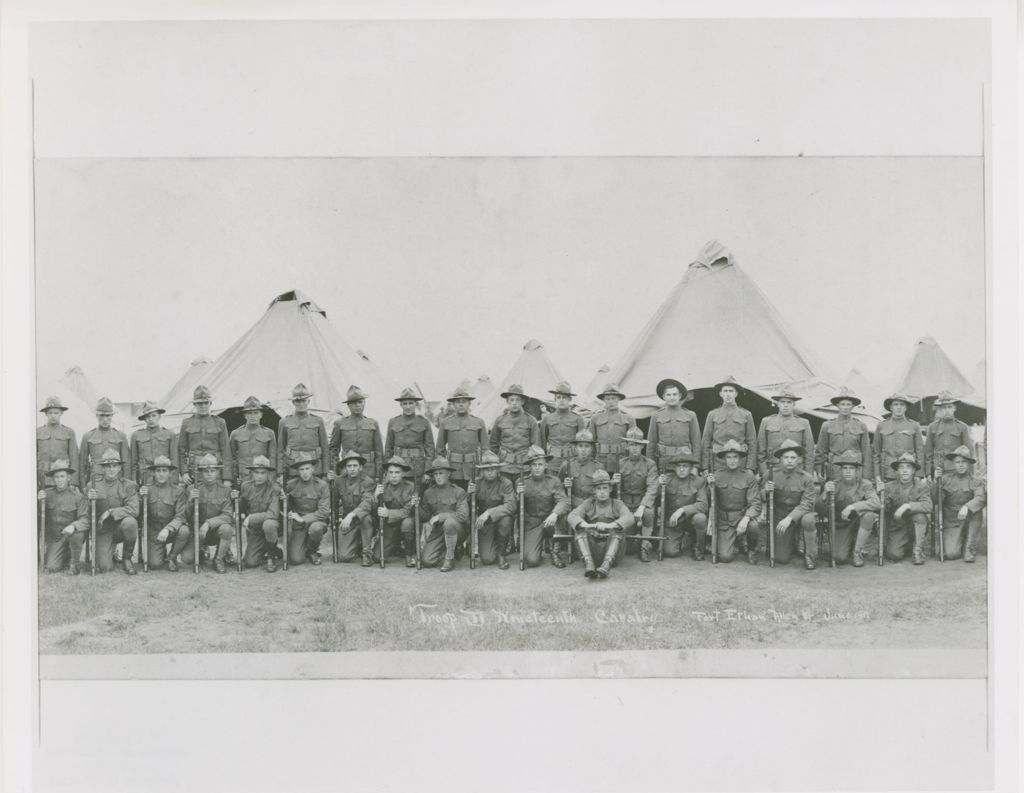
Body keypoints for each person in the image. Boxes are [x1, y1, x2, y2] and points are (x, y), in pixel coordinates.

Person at [567, 470, 635, 579]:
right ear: (594, 490)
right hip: (591, 551)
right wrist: (588, 526)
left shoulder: (617, 504)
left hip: (613, 551)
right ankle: (589, 565)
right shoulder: (589, 503)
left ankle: (606, 565)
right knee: (579, 529)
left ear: (610, 489)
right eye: (598, 489)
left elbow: (629, 517)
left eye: (605, 488)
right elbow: (572, 516)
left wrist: (610, 525)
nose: (602, 492)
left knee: (618, 529)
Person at [818, 450, 881, 567]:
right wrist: (825, 494)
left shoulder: (865, 484)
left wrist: (853, 507)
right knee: (839, 557)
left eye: (851, 468)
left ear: (857, 471)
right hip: (841, 525)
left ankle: (857, 552)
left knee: (869, 516)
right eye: (844, 468)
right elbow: (819, 510)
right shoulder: (834, 485)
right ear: (840, 470)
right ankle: (851, 543)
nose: (847, 471)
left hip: (858, 523)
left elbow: (876, 503)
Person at [763, 440, 818, 569]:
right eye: (786, 457)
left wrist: (790, 518)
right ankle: (792, 541)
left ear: (799, 460)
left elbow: (807, 503)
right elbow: (759, 496)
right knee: (781, 558)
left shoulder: (806, 478)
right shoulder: (771, 475)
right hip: (780, 515)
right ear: (781, 459)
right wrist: (765, 490)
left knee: (809, 520)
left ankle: (810, 556)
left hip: (800, 515)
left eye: (793, 457)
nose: (789, 460)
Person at [706, 439, 762, 564]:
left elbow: (756, 504)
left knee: (753, 526)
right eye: (729, 457)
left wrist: (747, 518)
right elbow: (709, 500)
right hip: (724, 521)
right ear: (724, 459)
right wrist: (710, 486)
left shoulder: (748, 476)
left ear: (740, 458)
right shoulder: (717, 475)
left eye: (735, 457)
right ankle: (736, 541)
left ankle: (752, 549)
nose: (732, 460)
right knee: (725, 557)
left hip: (741, 518)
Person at [85, 449, 140, 575]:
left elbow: (134, 509)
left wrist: (110, 511)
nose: (111, 469)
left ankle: (127, 558)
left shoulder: (128, 485)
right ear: (103, 468)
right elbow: (86, 512)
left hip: (119, 528)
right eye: (108, 466)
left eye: (114, 466)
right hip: (102, 530)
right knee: (105, 568)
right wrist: (89, 500)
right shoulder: (92, 486)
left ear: (119, 468)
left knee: (130, 522)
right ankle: (108, 550)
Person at [556, 429, 606, 568]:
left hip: (591, 505)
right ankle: (557, 550)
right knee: (562, 514)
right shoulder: (567, 465)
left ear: (592, 448)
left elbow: (602, 490)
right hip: (573, 503)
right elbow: (557, 488)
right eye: (580, 446)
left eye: (587, 446)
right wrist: (565, 485)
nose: (583, 450)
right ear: (575, 448)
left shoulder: (598, 466)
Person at [179, 453, 235, 573]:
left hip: (215, 531)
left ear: (218, 472)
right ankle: (201, 550)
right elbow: (185, 516)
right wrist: (190, 501)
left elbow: (227, 516)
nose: (209, 474)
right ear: (200, 473)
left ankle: (218, 559)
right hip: (198, 531)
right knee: (187, 559)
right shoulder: (191, 489)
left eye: (212, 470)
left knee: (227, 529)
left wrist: (208, 523)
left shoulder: (225, 490)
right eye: (206, 471)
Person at [515, 446, 570, 568]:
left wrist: (555, 513)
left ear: (546, 465)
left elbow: (564, 502)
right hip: (532, 523)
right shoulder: (522, 482)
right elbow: (515, 508)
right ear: (530, 466)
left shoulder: (554, 481)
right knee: (531, 561)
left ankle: (554, 552)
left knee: (561, 516)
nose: (537, 467)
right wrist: (518, 496)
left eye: (540, 464)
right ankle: (538, 546)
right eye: (534, 464)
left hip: (549, 520)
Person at [138, 455, 190, 572]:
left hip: (171, 530)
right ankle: (161, 550)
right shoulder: (147, 489)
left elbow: (180, 516)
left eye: (164, 471)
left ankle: (172, 557)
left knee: (184, 531)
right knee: (155, 564)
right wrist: (141, 498)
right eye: (158, 471)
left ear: (170, 473)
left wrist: (168, 529)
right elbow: (139, 514)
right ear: (153, 473)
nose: (161, 474)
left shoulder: (178, 491)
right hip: (153, 531)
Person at [934, 445, 986, 562]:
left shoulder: (976, 481)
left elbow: (980, 498)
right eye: (958, 462)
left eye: (964, 462)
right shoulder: (945, 479)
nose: (961, 465)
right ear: (953, 463)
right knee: (952, 554)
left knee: (977, 511)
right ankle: (960, 540)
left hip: (969, 519)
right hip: (952, 521)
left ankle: (969, 548)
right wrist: (936, 482)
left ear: (968, 464)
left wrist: (967, 507)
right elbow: (936, 500)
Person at [37, 459, 88, 575]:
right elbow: (38, 516)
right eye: (56, 477)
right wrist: (39, 501)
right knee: (51, 567)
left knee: (78, 533)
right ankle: (66, 555)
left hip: (71, 535)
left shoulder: (78, 496)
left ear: (68, 478)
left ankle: (74, 564)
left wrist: (73, 526)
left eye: (62, 476)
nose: (59, 480)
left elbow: (85, 519)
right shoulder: (46, 494)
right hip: (55, 538)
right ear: (53, 479)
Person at [418, 457, 469, 571]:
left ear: (449, 474)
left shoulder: (458, 491)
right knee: (427, 561)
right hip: (439, 531)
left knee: (449, 523)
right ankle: (451, 550)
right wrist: (416, 506)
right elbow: (425, 516)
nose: (438, 476)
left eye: (441, 473)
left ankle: (449, 558)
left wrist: (441, 516)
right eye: (435, 474)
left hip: (458, 529)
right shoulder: (428, 493)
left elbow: (463, 515)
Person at [880, 452, 933, 564]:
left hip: (915, 525)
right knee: (894, 555)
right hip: (898, 526)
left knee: (920, 515)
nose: (904, 470)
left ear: (913, 470)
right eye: (901, 467)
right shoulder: (889, 487)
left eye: (908, 467)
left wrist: (907, 506)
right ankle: (908, 546)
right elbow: (883, 509)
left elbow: (928, 505)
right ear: (897, 471)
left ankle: (918, 550)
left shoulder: (921, 486)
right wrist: (881, 496)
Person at [616, 427, 659, 562]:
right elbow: (612, 490)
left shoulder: (650, 464)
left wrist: (642, 506)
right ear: (627, 446)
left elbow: (652, 488)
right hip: (625, 503)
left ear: (642, 446)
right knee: (628, 550)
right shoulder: (620, 463)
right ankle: (634, 539)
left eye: (638, 445)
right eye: (631, 444)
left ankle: (645, 545)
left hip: (642, 501)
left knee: (648, 513)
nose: (634, 448)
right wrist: (613, 481)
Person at [467, 451, 516, 569]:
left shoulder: (506, 483)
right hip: (485, 523)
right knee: (487, 559)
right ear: (482, 471)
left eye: (493, 469)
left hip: (500, 519)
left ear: (498, 470)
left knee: (506, 520)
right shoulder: (475, 483)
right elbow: (467, 508)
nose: (489, 472)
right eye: (486, 469)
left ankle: (501, 554)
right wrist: (469, 495)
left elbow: (511, 506)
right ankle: (494, 545)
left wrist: (489, 512)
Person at [435, 385, 489, 490]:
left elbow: (485, 448)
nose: (461, 404)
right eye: (457, 402)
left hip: (473, 467)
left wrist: (482, 468)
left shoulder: (478, 422)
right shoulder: (446, 422)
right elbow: (440, 449)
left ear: (469, 404)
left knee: (473, 497)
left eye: (464, 401)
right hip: (453, 468)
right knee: (455, 495)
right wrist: (443, 469)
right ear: (453, 404)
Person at [283, 451, 330, 566]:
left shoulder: (322, 485)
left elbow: (324, 512)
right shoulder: (290, 485)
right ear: (297, 471)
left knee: (316, 529)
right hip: (298, 526)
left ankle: (312, 550)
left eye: (307, 468)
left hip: (316, 521)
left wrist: (303, 519)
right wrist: (284, 500)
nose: (305, 472)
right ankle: (303, 547)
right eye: (301, 469)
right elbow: (286, 508)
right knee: (295, 559)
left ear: (313, 469)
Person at [815, 386, 872, 481]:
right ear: (837, 405)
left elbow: (866, 453)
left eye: (848, 404)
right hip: (834, 470)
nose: (845, 407)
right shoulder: (827, 425)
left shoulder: (861, 426)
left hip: (855, 470)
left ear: (853, 406)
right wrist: (819, 471)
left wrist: (866, 476)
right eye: (842, 404)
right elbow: (820, 451)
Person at [178, 386, 231, 487]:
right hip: (194, 471)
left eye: (205, 403)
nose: (203, 406)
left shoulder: (220, 422)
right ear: (194, 404)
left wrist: (227, 478)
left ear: (210, 403)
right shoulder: (187, 423)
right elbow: (182, 451)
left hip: (215, 470)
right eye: (199, 403)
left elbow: (226, 451)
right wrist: (184, 472)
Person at [756, 388, 814, 478]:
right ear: (778, 404)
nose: (785, 405)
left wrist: (808, 475)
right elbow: (761, 452)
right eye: (783, 402)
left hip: (797, 470)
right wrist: (765, 474)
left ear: (794, 404)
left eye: (789, 402)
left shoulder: (803, 423)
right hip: (773, 470)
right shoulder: (767, 421)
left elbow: (809, 453)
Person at [702, 377, 757, 473]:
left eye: (731, 391)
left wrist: (750, 467)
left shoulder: (746, 414)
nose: (728, 394)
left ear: (736, 394)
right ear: (721, 394)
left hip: (739, 461)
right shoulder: (713, 414)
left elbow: (752, 442)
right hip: (718, 462)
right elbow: (706, 441)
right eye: (725, 391)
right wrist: (705, 467)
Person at [329, 385, 384, 480]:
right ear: (348, 405)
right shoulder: (340, 423)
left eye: (360, 402)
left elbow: (379, 452)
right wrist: (336, 471)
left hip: (368, 470)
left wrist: (379, 475)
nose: (357, 405)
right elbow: (333, 450)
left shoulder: (373, 423)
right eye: (354, 403)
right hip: (347, 469)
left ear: (364, 403)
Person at [660, 454, 709, 560]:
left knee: (700, 518)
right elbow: (655, 498)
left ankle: (698, 547)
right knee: (670, 552)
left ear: (691, 468)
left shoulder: (699, 481)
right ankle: (683, 539)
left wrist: (682, 510)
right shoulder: (667, 480)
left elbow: (703, 505)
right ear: (674, 468)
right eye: (678, 466)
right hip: (674, 523)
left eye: (685, 466)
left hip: (690, 521)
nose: (681, 469)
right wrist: (658, 485)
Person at [385, 387, 436, 489]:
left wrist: (427, 471)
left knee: (417, 496)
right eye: (405, 403)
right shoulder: (393, 422)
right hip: (398, 466)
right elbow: (388, 448)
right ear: (401, 405)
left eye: (411, 403)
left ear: (415, 404)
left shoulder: (424, 422)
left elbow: (430, 449)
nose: (408, 406)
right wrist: (388, 470)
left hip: (418, 467)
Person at [239, 455, 283, 572]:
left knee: (269, 524)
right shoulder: (246, 486)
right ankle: (271, 548)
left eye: (263, 473)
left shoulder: (275, 488)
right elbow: (242, 508)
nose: (259, 476)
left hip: (271, 526)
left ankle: (271, 556)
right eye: (256, 472)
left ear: (268, 473)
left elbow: (273, 513)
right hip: (256, 530)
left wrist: (252, 518)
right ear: (252, 473)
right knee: (250, 562)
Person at [332, 449, 377, 566]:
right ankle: (357, 544)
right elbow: (334, 503)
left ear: (360, 467)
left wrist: (352, 515)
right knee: (344, 556)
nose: (352, 469)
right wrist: (336, 519)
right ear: (345, 468)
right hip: (347, 520)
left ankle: (366, 553)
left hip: (362, 519)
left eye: (355, 466)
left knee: (366, 518)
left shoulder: (368, 482)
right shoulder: (339, 481)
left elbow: (367, 503)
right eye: (349, 466)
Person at [278, 383, 330, 482]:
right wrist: (280, 472)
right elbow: (280, 449)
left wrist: (325, 472)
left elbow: (325, 448)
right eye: (298, 401)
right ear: (293, 402)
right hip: (293, 467)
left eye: (304, 401)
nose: (301, 404)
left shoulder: (318, 421)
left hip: (314, 467)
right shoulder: (284, 422)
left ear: (308, 401)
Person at [649, 378, 701, 474]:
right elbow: (651, 443)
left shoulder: (690, 415)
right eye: (668, 395)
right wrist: (651, 467)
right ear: (664, 396)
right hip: (665, 463)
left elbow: (696, 442)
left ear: (680, 396)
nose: (672, 397)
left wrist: (696, 466)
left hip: (685, 463)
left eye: (674, 394)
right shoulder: (656, 415)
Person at [489, 384, 540, 480]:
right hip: (504, 466)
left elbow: (536, 445)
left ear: (523, 401)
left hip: (524, 467)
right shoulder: (500, 420)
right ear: (507, 401)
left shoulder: (531, 420)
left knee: (523, 493)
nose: (514, 403)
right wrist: (496, 463)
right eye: (511, 400)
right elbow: (493, 444)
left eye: (518, 400)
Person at [374, 457, 418, 567]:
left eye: (397, 472)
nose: (393, 476)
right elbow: (373, 510)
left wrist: (389, 513)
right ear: (387, 474)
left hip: (406, 524)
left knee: (407, 523)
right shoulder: (382, 487)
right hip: (390, 526)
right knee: (377, 557)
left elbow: (408, 511)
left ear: (403, 473)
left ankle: (409, 554)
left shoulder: (411, 487)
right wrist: (375, 497)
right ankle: (396, 546)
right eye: (391, 472)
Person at [79, 397, 131, 489]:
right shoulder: (88, 436)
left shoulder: (121, 436)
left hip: (116, 482)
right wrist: (83, 486)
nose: (105, 419)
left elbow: (126, 464)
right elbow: (82, 464)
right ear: (96, 415)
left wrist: (125, 485)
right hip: (96, 481)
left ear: (112, 416)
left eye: (108, 416)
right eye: (102, 416)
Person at [873, 393, 924, 482]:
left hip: (908, 472)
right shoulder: (882, 426)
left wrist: (918, 474)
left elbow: (920, 452)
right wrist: (877, 475)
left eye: (902, 405)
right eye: (896, 404)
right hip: (888, 472)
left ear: (906, 407)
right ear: (891, 407)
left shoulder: (914, 425)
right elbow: (876, 453)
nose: (899, 407)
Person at [924, 391, 976, 479]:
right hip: (938, 471)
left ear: (954, 408)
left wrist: (970, 475)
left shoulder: (962, 427)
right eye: (944, 408)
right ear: (939, 409)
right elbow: (928, 453)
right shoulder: (932, 427)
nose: (947, 410)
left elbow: (969, 453)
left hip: (957, 471)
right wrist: (929, 473)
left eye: (949, 407)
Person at [589, 383, 636, 475]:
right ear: (603, 400)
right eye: (607, 399)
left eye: (613, 398)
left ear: (618, 399)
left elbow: (633, 444)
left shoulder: (628, 418)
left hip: (621, 462)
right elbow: (591, 443)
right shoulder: (595, 418)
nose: (610, 401)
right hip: (600, 462)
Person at [540, 381, 585, 475]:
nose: (561, 400)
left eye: (564, 397)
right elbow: (542, 444)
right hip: (553, 462)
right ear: (555, 399)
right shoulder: (547, 419)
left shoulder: (578, 419)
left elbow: (582, 444)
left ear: (570, 399)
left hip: (571, 460)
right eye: (558, 397)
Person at [229, 396, 277, 484]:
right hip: (243, 477)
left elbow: (272, 458)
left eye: (255, 413)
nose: (253, 416)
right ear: (245, 415)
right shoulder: (235, 434)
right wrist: (234, 477)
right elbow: (231, 458)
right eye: (249, 413)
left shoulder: (269, 433)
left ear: (261, 414)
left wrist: (271, 478)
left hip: (262, 476)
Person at [132, 402, 178, 486]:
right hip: (145, 477)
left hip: (163, 476)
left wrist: (174, 480)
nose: (151, 419)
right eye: (148, 416)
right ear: (144, 419)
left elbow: (174, 459)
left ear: (159, 416)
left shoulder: (169, 434)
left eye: (154, 415)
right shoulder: (137, 435)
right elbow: (133, 461)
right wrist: (134, 480)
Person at [37, 396, 79, 489]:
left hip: (62, 479)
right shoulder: (37, 432)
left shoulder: (69, 432)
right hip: (42, 479)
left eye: (56, 413)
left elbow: (74, 459)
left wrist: (73, 482)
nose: (53, 415)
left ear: (61, 413)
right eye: (50, 413)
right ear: (46, 414)